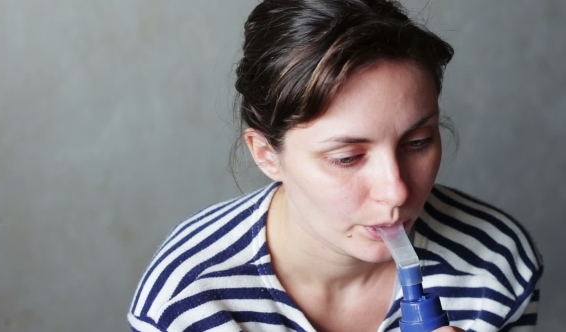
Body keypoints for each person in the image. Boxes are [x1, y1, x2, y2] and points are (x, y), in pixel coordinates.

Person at [128, 0, 543, 331]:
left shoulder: (495, 265)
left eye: (418, 142)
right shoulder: (189, 296)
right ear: (266, 154)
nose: (396, 190)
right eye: (347, 157)